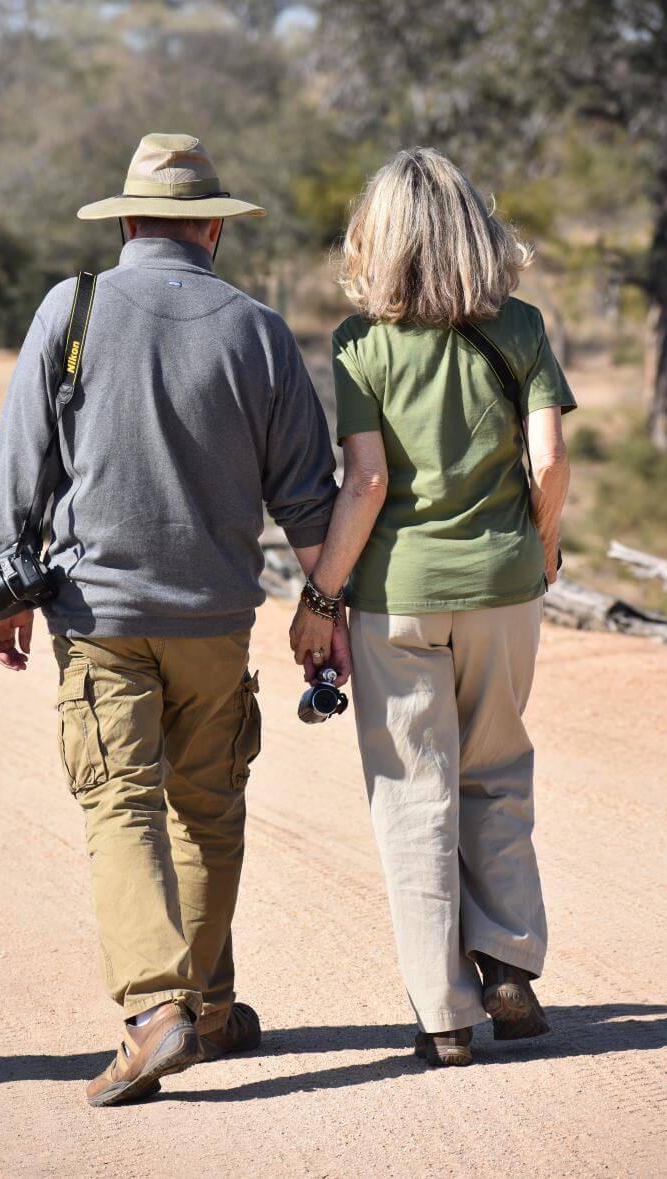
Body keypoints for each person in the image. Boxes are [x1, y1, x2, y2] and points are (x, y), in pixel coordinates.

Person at [0, 133, 338, 1106]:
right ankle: (206, 1014)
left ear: (127, 220)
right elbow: (308, 499)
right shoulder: (258, 330)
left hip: (98, 614)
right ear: (213, 227)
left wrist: (0, 590)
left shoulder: (74, 307)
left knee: (121, 803)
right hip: (215, 620)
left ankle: (156, 1012)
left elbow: (19, 460)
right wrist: (325, 609)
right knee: (207, 807)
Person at [290, 147, 575, 1067]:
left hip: (396, 597)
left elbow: (365, 481)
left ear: (380, 239)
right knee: (496, 769)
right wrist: (544, 540)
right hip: (504, 587)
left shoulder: (358, 343)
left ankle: (442, 1015)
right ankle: (507, 967)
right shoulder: (523, 326)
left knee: (413, 794)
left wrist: (319, 596)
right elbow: (550, 463)